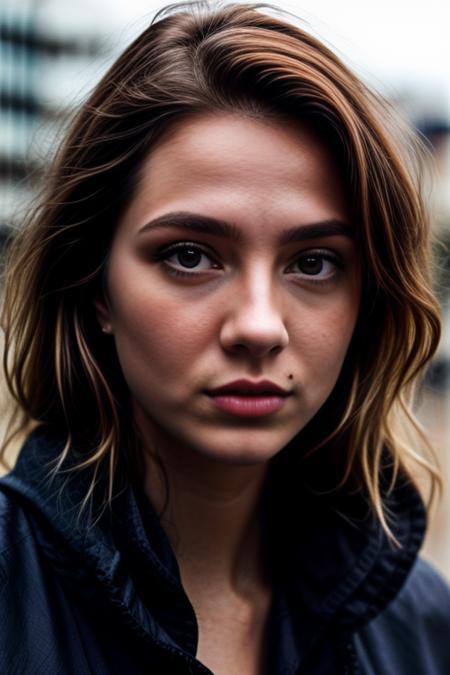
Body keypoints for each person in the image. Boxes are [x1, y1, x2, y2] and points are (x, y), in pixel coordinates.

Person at [1, 2, 450, 673]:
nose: (260, 326)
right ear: (94, 284)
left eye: (314, 262)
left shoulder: (421, 626)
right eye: (189, 254)